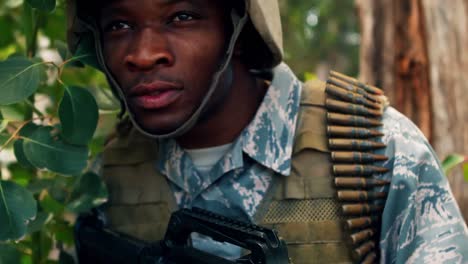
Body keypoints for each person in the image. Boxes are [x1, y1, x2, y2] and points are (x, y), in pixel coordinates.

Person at [67, 0, 468, 263]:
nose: (143, 54)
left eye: (182, 17)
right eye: (119, 25)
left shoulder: (374, 148)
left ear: (239, 30)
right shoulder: (104, 174)